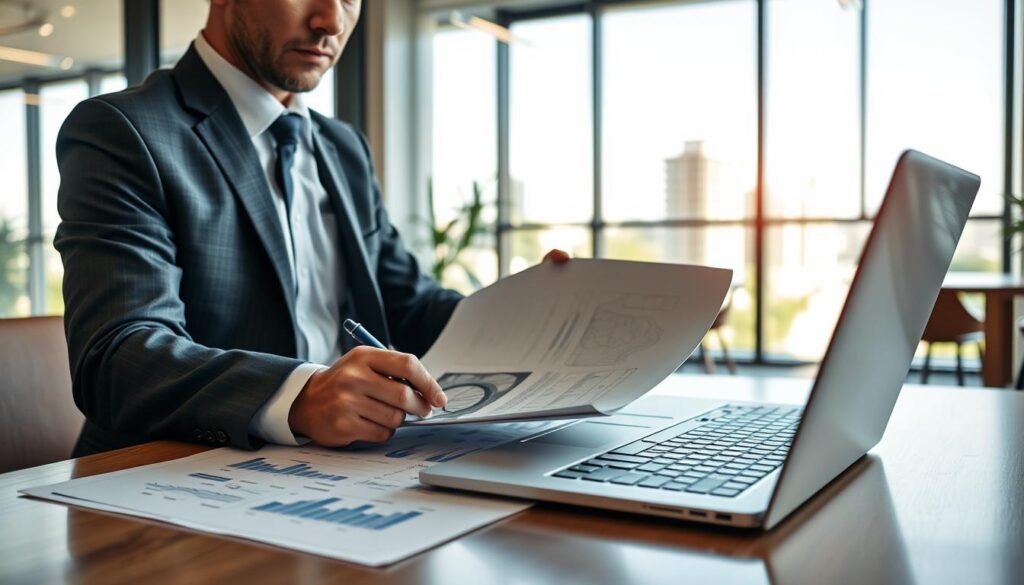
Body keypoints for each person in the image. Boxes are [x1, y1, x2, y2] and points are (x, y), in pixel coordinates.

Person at [55, 0, 566, 456]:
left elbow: (407, 306)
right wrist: (301, 395)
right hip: (162, 484)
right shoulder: (123, 131)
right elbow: (117, 355)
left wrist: (529, 317)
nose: (331, 20)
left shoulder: (342, 147)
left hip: (348, 470)